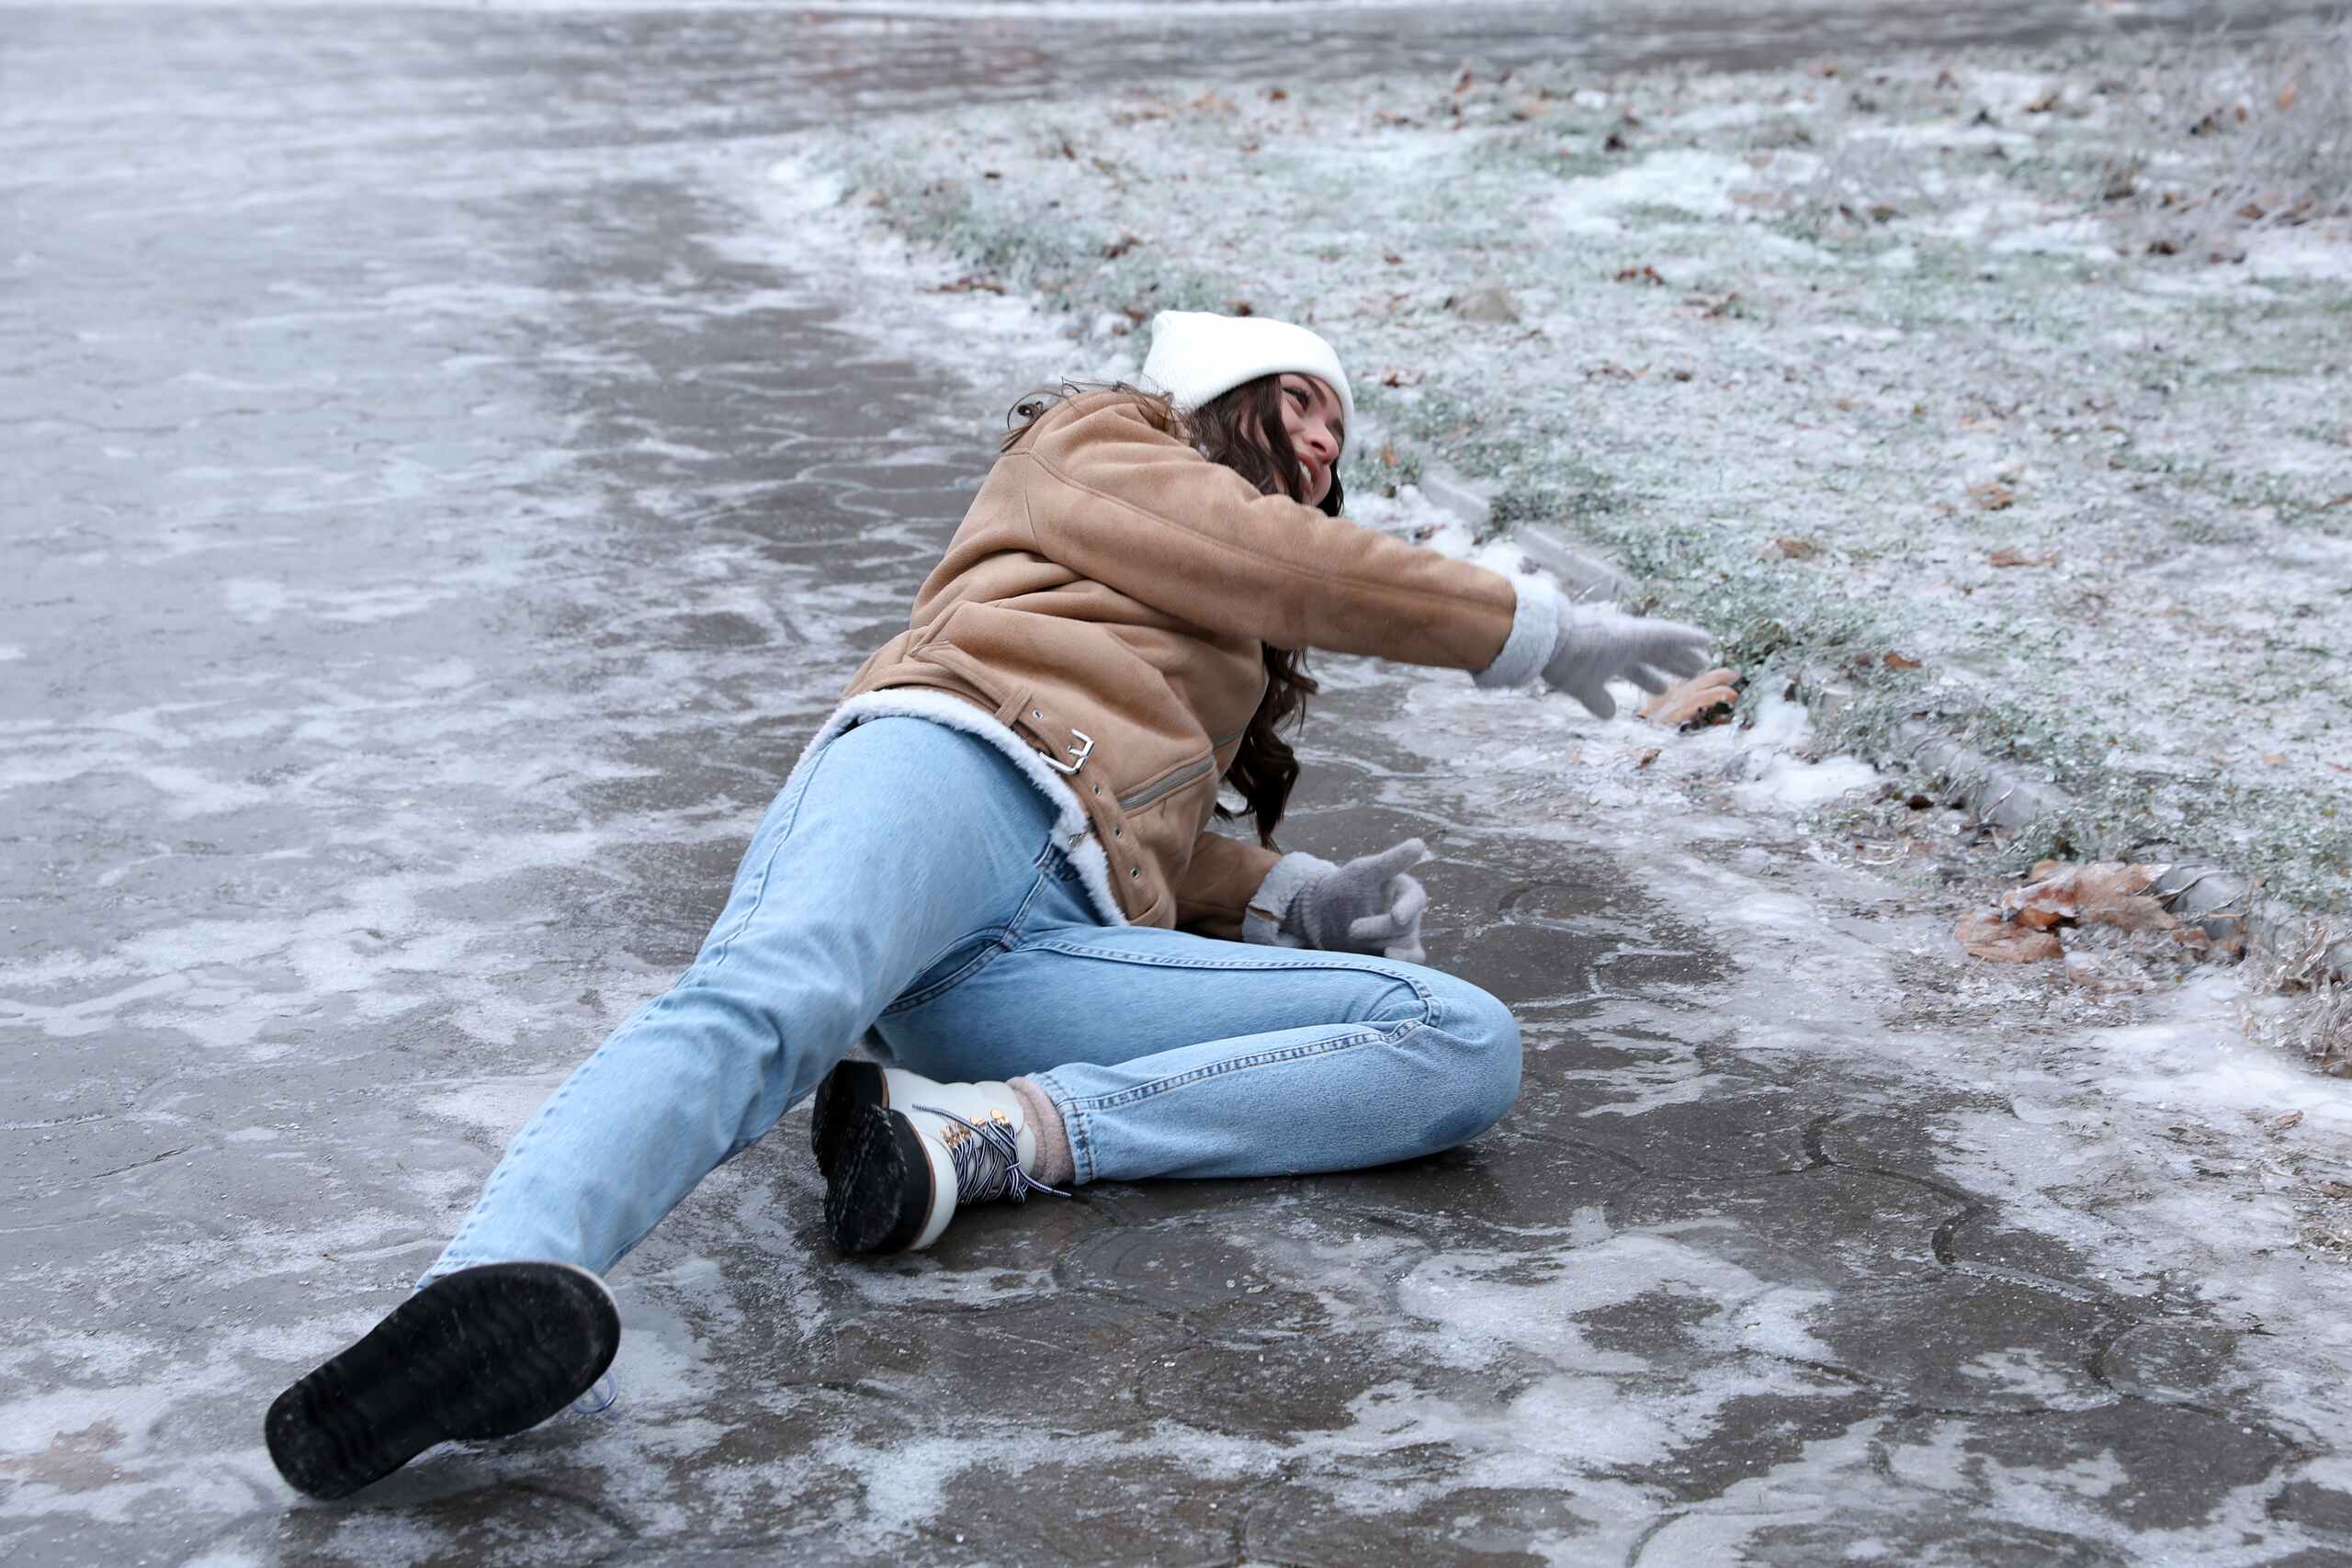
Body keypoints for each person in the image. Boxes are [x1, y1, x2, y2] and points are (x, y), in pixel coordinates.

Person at [263, 310, 1711, 1499]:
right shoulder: (1096, 443)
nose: (1326, 441)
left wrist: (1290, 896)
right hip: (950, 768)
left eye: (1342, 426)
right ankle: (478, 1299)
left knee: (1457, 1041)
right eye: (1299, 401)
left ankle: (972, 1137)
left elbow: (1150, 830)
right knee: (771, 1005)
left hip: (1042, 940)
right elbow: (1284, 562)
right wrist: (1540, 633)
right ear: (1209, 389)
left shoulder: (1223, 616)